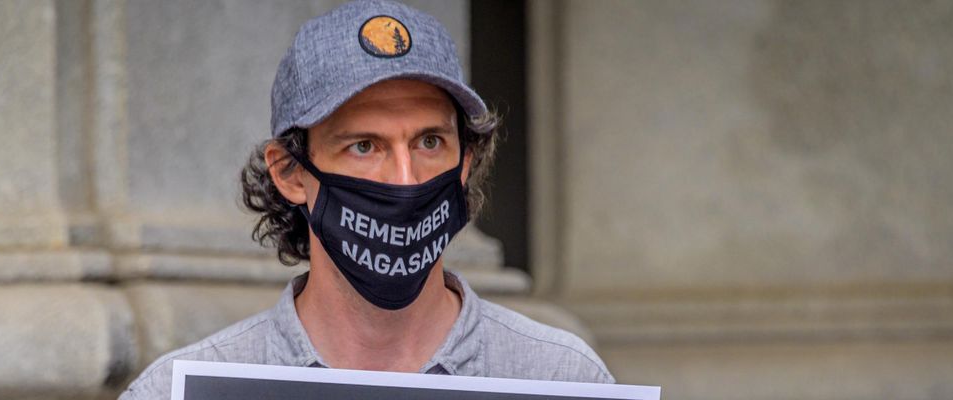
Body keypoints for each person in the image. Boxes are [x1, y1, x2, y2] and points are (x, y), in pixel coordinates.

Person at [119, 1, 612, 398]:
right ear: (290, 172)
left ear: (465, 163)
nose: (403, 178)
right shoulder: (177, 391)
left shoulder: (562, 378)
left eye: (429, 142)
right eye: (364, 146)